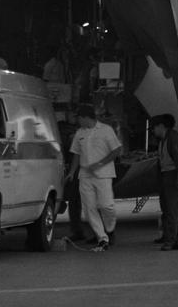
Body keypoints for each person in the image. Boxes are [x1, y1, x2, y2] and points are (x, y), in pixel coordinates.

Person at [66, 103, 122, 252]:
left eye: (78, 118)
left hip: (103, 174)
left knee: (106, 206)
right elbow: (76, 154)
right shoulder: (80, 133)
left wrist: (101, 163)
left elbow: (117, 150)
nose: (77, 121)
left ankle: (110, 229)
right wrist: (72, 172)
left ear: (85, 117)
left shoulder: (106, 130)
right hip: (84, 175)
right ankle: (102, 238)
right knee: (89, 208)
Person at [150, 114, 178, 251]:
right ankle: (176, 239)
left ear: (161, 126)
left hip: (173, 175)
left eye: (154, 127)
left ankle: (171, 240)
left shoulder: (172, 138)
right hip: (167, 175)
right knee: (172, 209)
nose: (153, 130)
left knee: (172, 210)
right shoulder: (164, 139)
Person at [57, 107, 86, 240]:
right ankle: (78, 230)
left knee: (77, 202)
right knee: (77, 202)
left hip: (77, 169)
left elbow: (75, 153)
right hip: (76, 169)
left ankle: (78, 231)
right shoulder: (75, 132)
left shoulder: (78, 132)